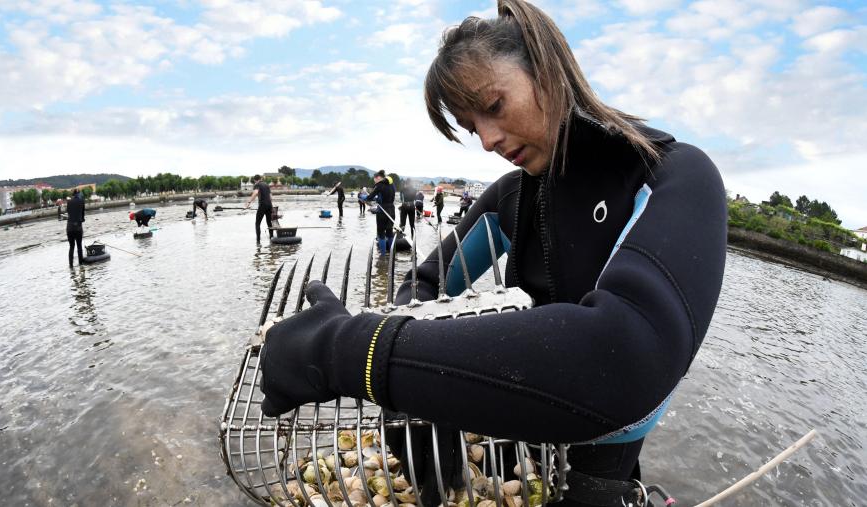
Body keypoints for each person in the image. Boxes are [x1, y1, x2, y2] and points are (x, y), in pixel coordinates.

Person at [257, 1, 727, 505]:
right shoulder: (513, 195)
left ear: (548, 71)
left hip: (603, 450)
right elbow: (427, 284)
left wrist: (354, 352)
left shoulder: (673, 178)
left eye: (494, 107)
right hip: (512, 422)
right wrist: (413, 392)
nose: (485, 140)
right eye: (470, 125)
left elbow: (628, 355)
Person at [364, 170, 396, 255]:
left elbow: (369, 197)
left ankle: (383, 256)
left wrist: (363, 196)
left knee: (381, 233)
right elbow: (386, 195)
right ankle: (393, 254)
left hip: (383, 211)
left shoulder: (379, 185)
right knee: (389, 232)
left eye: (374, 179)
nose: (374, 181)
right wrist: (377, 198)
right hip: (392, 210)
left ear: (378, 177)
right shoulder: (392, 184)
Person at [244, 174, 273, 242]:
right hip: (269, 205)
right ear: (260, 178)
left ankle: (258, 241)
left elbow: (255, 193)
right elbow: (271, 197)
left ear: (255, 180)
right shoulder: (266, 185)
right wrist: (270, 206)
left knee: (257, 223)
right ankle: (272, 238)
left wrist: (248, 203)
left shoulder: (257, 185)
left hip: (262, 205)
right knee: (269, 222)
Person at [65, 189, 85, 267]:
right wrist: (81, 219)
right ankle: (81, 265)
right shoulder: (82, 201)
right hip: (78, 227)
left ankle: (71, 266)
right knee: (79, 246)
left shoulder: (69, 202)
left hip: (69, 227)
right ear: (79, 194)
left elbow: (69, 212)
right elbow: (83, 215)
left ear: (73, 194)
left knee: (71, 247)